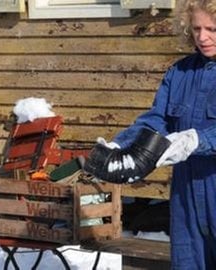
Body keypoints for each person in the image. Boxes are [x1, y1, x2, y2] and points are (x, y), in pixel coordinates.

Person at [96, 0, 216, 268]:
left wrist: (197, 139)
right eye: (196, 28)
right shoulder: (180, 72)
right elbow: (156, 120)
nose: (203, 37)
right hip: (187, 200)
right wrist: (123, 145)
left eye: (212, 29)